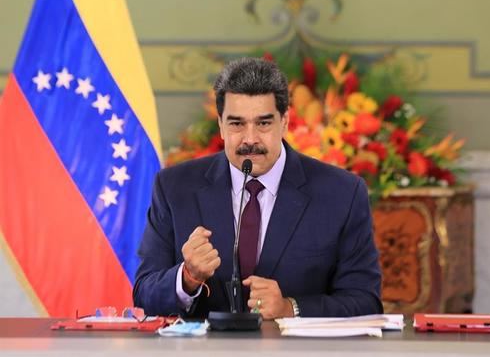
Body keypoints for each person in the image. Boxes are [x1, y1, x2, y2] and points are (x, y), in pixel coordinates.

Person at [133, 57, 383, 319]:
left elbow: (365, 301)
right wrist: (188, 278)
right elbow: (144, 295)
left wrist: (290, 308)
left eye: (263, 123)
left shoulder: (342, 193)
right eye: (237, 124)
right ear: (220, 124)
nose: (250, 139)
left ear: (284, 121)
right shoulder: (174, 187)